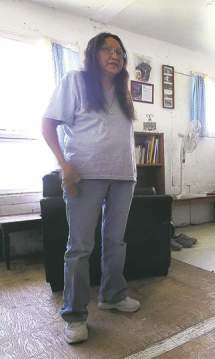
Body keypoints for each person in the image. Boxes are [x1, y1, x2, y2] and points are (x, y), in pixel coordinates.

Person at [42, 32, 140, 344]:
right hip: (85, 174)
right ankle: (74, 314)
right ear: (92, 54)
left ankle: (112, 294)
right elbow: (47, 123)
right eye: (107, 50)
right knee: (80, 247)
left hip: (124, 175)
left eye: (120, 52)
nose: (115, 55)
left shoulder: (124, 91)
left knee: (115, 241)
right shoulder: (75, 80)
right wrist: (64, 164)